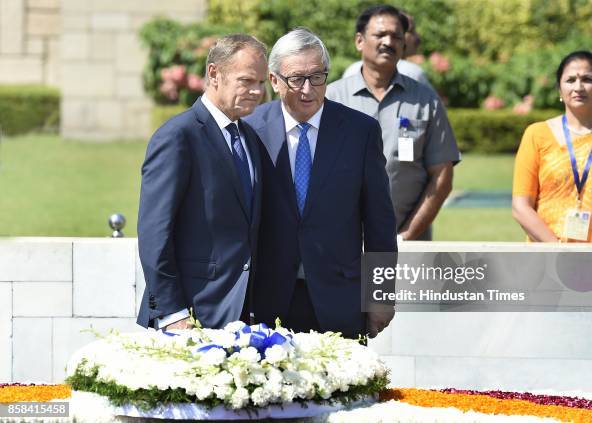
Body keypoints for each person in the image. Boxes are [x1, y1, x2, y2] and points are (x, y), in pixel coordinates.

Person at [244, 28, 397, 339]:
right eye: (296, 78)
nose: (307, 89)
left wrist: (380, 295)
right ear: (274, 81)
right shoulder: (250, 130)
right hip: (265, 300)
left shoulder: (360, 132)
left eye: (317, 77)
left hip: (340, 299)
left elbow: (380, 222)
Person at [136, 34, 268, 330]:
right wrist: (172, 314)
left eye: (261, 83)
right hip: (190, 317)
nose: (257, 91)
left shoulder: (249, 138)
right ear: (214, 74)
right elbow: (155, 233)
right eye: (246, 81)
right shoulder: (177, 136)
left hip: (243, 316)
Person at [327, 5, 460, 241]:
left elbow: (442, 177)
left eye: (396, 36)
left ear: (404, 44)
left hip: (408, 245)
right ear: (359, 41)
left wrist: (406, 236)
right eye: (380, 35)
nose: (388, 42)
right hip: (339, 246)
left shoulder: (425, 101)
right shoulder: (331, 99)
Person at [512, 51, 592, 243]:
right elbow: (521, 206)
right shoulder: (537, 135)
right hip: (546, 255)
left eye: (588, 79)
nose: (578, 87)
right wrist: (558, 250)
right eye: (570, 80)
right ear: (559, 89)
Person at [342, 11, 432, 90]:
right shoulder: (412, 72)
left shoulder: (352, 69)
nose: (417, 37)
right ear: (360, 40)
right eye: (411, 31)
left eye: (395, 35)